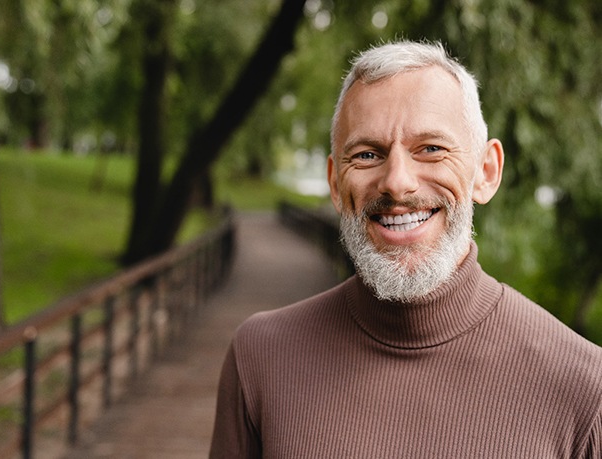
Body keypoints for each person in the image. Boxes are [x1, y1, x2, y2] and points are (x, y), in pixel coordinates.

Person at [209, 40, 602, 458]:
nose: (397, 182)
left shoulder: (584, 390)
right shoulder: (260, 357)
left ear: (486, 172)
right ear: (336, 184)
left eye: (431, 149)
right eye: (367, 154)